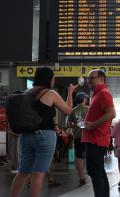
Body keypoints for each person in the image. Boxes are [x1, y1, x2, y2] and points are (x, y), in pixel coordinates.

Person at [9, 67, 77, 197]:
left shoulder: (27, 92)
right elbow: (68, 110)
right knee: (38, 174)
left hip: (26, 136)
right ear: (50, 79)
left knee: (23, 172)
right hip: (45, 136)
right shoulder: (50, 93)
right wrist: (70, 92)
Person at [81, 69, 116, 197]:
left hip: (97, 139)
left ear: (101, 79)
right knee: (98, 172)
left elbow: (112, 113)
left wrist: (93, 125)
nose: (88, 81)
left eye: (91, 78)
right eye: (88, 78)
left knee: (95, 172)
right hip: (94, 139)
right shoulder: (96, 94)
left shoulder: (103, 93)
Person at [67, 92, 89, 186]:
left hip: (77, 137)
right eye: (86, 98)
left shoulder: (73, 110)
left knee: (79, 156)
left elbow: (68, 124)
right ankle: (92, 175)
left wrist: (74, 125)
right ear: (84, 99)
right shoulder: (89, 109)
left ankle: (81, 177)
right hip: (88, 136)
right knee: (90, 156)